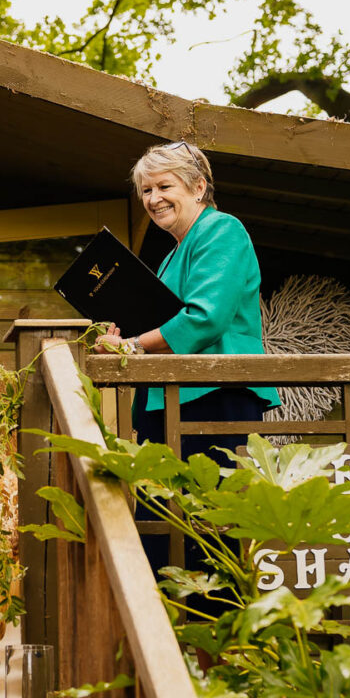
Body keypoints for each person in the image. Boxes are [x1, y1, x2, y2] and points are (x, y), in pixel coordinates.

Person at [92, 141, 281, 568]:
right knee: (170, 536)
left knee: (210, 535)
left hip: (217, 398)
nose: (153, 199)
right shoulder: (172, 254)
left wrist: (136, 344)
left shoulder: (222, 230)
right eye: (145, 191)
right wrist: (122, 336)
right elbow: (159, 324)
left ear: (198, 187)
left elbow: (205, 318)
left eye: (164, 186)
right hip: (173, 401)